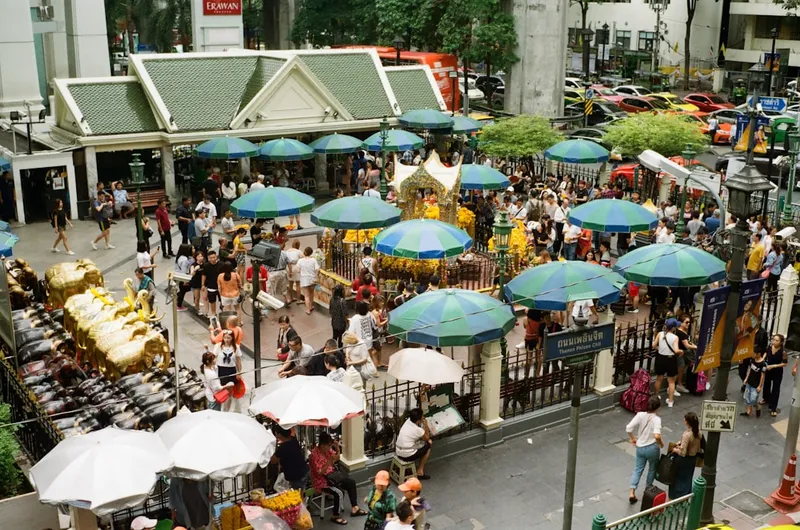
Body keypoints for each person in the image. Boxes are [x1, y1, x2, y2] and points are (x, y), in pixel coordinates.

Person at [309, 432, 367, 525]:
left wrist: (337, 448)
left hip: (332, 476)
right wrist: (329, 462)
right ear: (322, 445)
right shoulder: (314, 455)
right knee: (339, 492)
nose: (330, 448)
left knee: (351, 483)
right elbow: (319, 472)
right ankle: (335, 516)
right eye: (328, 446)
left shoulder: (327, 450)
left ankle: (355, 508)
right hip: (322, 481)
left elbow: (337, 457)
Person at [626, 396, 663, 504]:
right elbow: (657, 435)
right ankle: (648, 489)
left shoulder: (640, 415)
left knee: (638, 469)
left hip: (640, 447)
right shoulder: (657, 419)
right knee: (652, 469)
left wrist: (633, 439)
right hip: (652, 448)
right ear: (658, 408)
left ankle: (632, 491)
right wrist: (661, 444)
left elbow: (628, 428)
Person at [668, 412, 701, 499]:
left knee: (678, 479)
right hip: (692, 460)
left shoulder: (687, 435)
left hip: (683, 461)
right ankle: (686, 496)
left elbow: (683, 453)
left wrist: (675, 450)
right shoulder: (698, 432)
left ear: (687, 422)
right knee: (688, 478)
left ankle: (676, 497)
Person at [395, 408, 432, 480]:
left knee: (418, 442)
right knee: (429, 443)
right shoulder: (418, 430)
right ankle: (420, 471)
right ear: (418, 420)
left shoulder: (408, 421)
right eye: (422, 416)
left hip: (398, 451)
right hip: (407, 455)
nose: (423, 417)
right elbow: (427, 438)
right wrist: (426, 425)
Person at [653, 319, 682, 408]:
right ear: (673, 328)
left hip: (660, 358)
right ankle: (670, 401)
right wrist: (681, 351)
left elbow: (654, 345)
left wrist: (660, 349)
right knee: (671, 382)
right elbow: (676, 350)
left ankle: (656, 396)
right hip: (670, 359)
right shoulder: (675, 337)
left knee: (659, 379)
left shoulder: (660, 334)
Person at [270, 425, 309, 490]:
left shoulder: (284, 447)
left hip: (296, 476)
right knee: (300, 491)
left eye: (276, 434)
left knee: (296, 494)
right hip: (303, 471)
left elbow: (273, 461)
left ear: (279, 434)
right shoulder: (294, 440)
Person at [763, 334, 788, 417]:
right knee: (766, 385)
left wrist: (774, 366)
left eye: (777, 340)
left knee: (775, 389)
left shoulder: (783, 352)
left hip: (777, 372)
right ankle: (766, 399)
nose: (774, 341)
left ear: (781, 342)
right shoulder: (770, 347)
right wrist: (763, 360)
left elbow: (785, 363)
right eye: (773, 339)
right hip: (768, 370)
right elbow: (766, 353)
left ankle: (773, 408)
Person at [674, 316, 697, 395]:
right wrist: (696, 347)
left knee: (681, 368)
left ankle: (678, 384)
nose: (688, 324)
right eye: (686, 322)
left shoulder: (681, 332)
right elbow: (687, 345)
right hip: (680, 353)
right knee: (680, 369)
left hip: (682, 353)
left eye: (689, 322)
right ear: (681, 323)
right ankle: (678, 385)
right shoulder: (681, 333)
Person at [742, 347, 767, 418]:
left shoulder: (763, 364)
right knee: (747, 397)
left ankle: (758, 407)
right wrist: (746, 378)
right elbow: (750, 369)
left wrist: (760, 386)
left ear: (759, 354)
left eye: (754, 354)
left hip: (756, 384)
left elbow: (762, 375)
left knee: (753, 399)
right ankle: (748, 412)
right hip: (749, 382)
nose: (753, 355)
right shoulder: (752, 360)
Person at [297, 246, 320, 315]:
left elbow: (298, 270)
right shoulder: (313, 260)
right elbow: (317, 269)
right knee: (311, 293)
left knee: (306, 295)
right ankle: (310, 306)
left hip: (304, 279)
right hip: (312, 278)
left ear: (305, 252)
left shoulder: (300, 261)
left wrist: (302, 271)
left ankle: (307, 309)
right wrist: (316, 276)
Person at [201, 250, 224, 318]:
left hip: (221, 286)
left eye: (214, 257)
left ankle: (222, 311)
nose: (212, 259)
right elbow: (204, 275)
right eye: (210, 258)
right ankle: (214, 313)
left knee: (222, 300)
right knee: (212, 301)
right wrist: (203, 285)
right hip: (211, 286)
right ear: (208, 258)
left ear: (216, 257)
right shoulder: (206, 265)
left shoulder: (222, 264)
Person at [174, 243, 194, 311]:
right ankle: (179, 306)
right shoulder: (184, 260)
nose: (193, 250)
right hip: (182, 277)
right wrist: (184, 281)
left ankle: (177, 298)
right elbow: (184, 270)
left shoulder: (180, 257)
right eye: (191, 249)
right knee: (183, 291)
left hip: (178, 276)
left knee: (182, 290)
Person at [285, 240, 303, 304]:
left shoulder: (287, 251)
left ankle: (291, 298)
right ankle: (298, 300)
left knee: (290, 283)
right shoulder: (299, 251)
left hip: (289, 267)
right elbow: (303, 259)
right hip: (296, 266)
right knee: (298, 284)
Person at [190, 251, 207, 315]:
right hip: (196, 283)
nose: (201, 258)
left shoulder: (204, 264)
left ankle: (206, 310)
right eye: (199, 256)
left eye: (201, 256)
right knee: (197, 297)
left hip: (203, 282)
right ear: (196, 257)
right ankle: (197, 309)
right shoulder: (193, 265)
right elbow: (192, 274)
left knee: (205, 297)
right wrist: (195, 269)